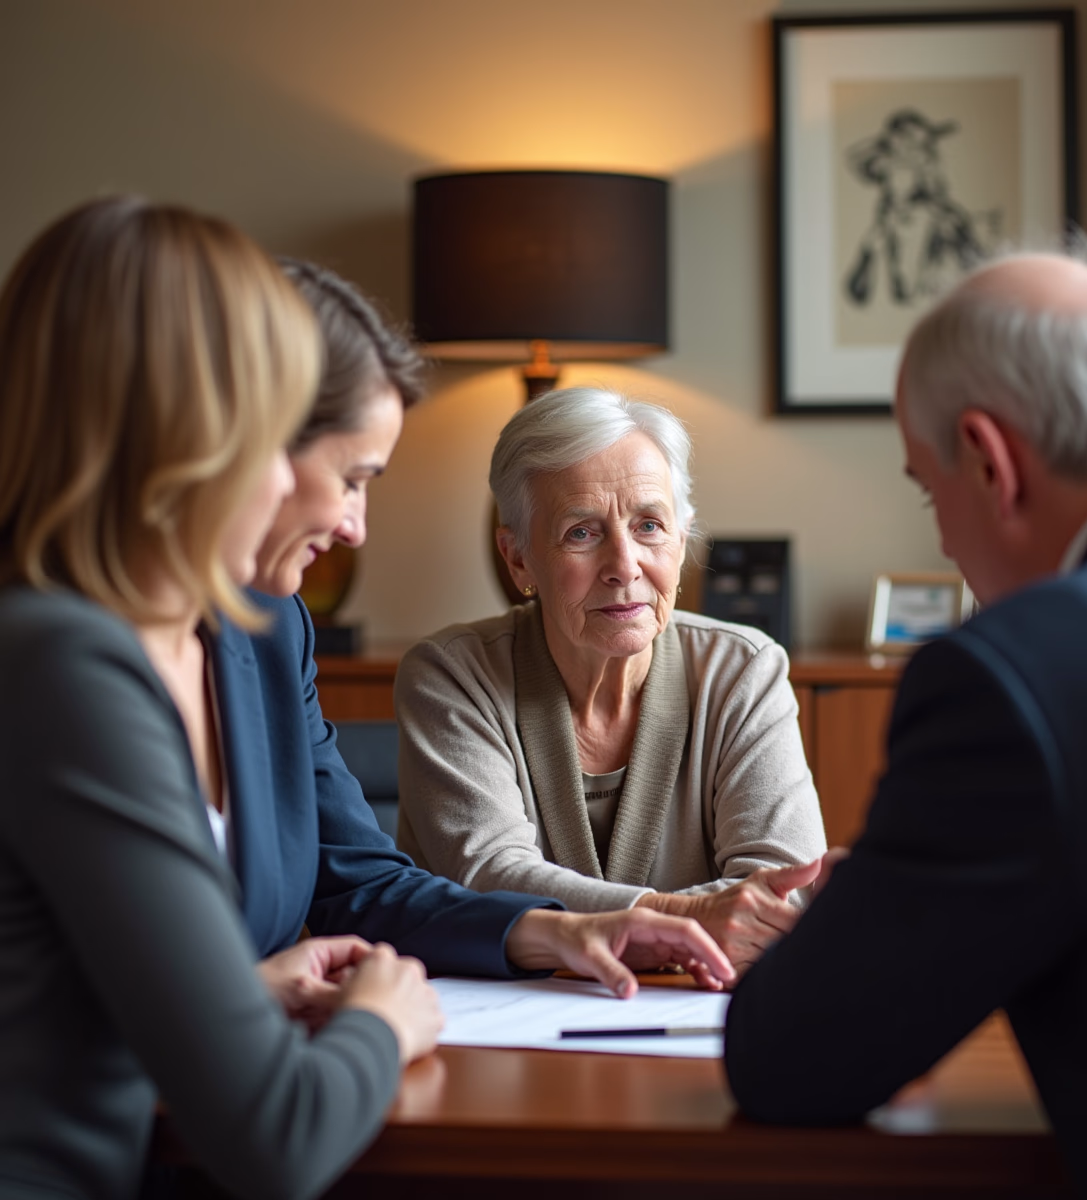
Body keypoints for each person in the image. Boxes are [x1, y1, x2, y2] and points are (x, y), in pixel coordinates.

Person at [724, 246, 1087, 1198]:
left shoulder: (1022, 679)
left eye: (925, 487)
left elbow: (792, 1061)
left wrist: (868, 917)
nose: (940, 529)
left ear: (989, 461)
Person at [0, 197, 442, 1200]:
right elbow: (275, 1140)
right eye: (269, 434)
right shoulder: (65, 664)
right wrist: (383, 1022)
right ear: (192, 439)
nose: (287, 477)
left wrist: (232, 1000)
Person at [220, 261, 736, 997]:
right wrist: (359, 1025)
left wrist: (569, 930)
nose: (355, 526)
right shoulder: (72, 653)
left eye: (651, 526)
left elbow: (358, 885)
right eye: (351, 478)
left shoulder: (273, 627)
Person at [394, 386, 828, 974]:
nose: (624, 566)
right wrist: (691, 917)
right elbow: (491, 880)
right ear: (518, 557)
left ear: (682, 538)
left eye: (650, 525)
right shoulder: (450, 676)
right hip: (502, 1033)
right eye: (582, 532)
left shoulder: (743, 672)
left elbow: (780, 894)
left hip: (688, 1023)